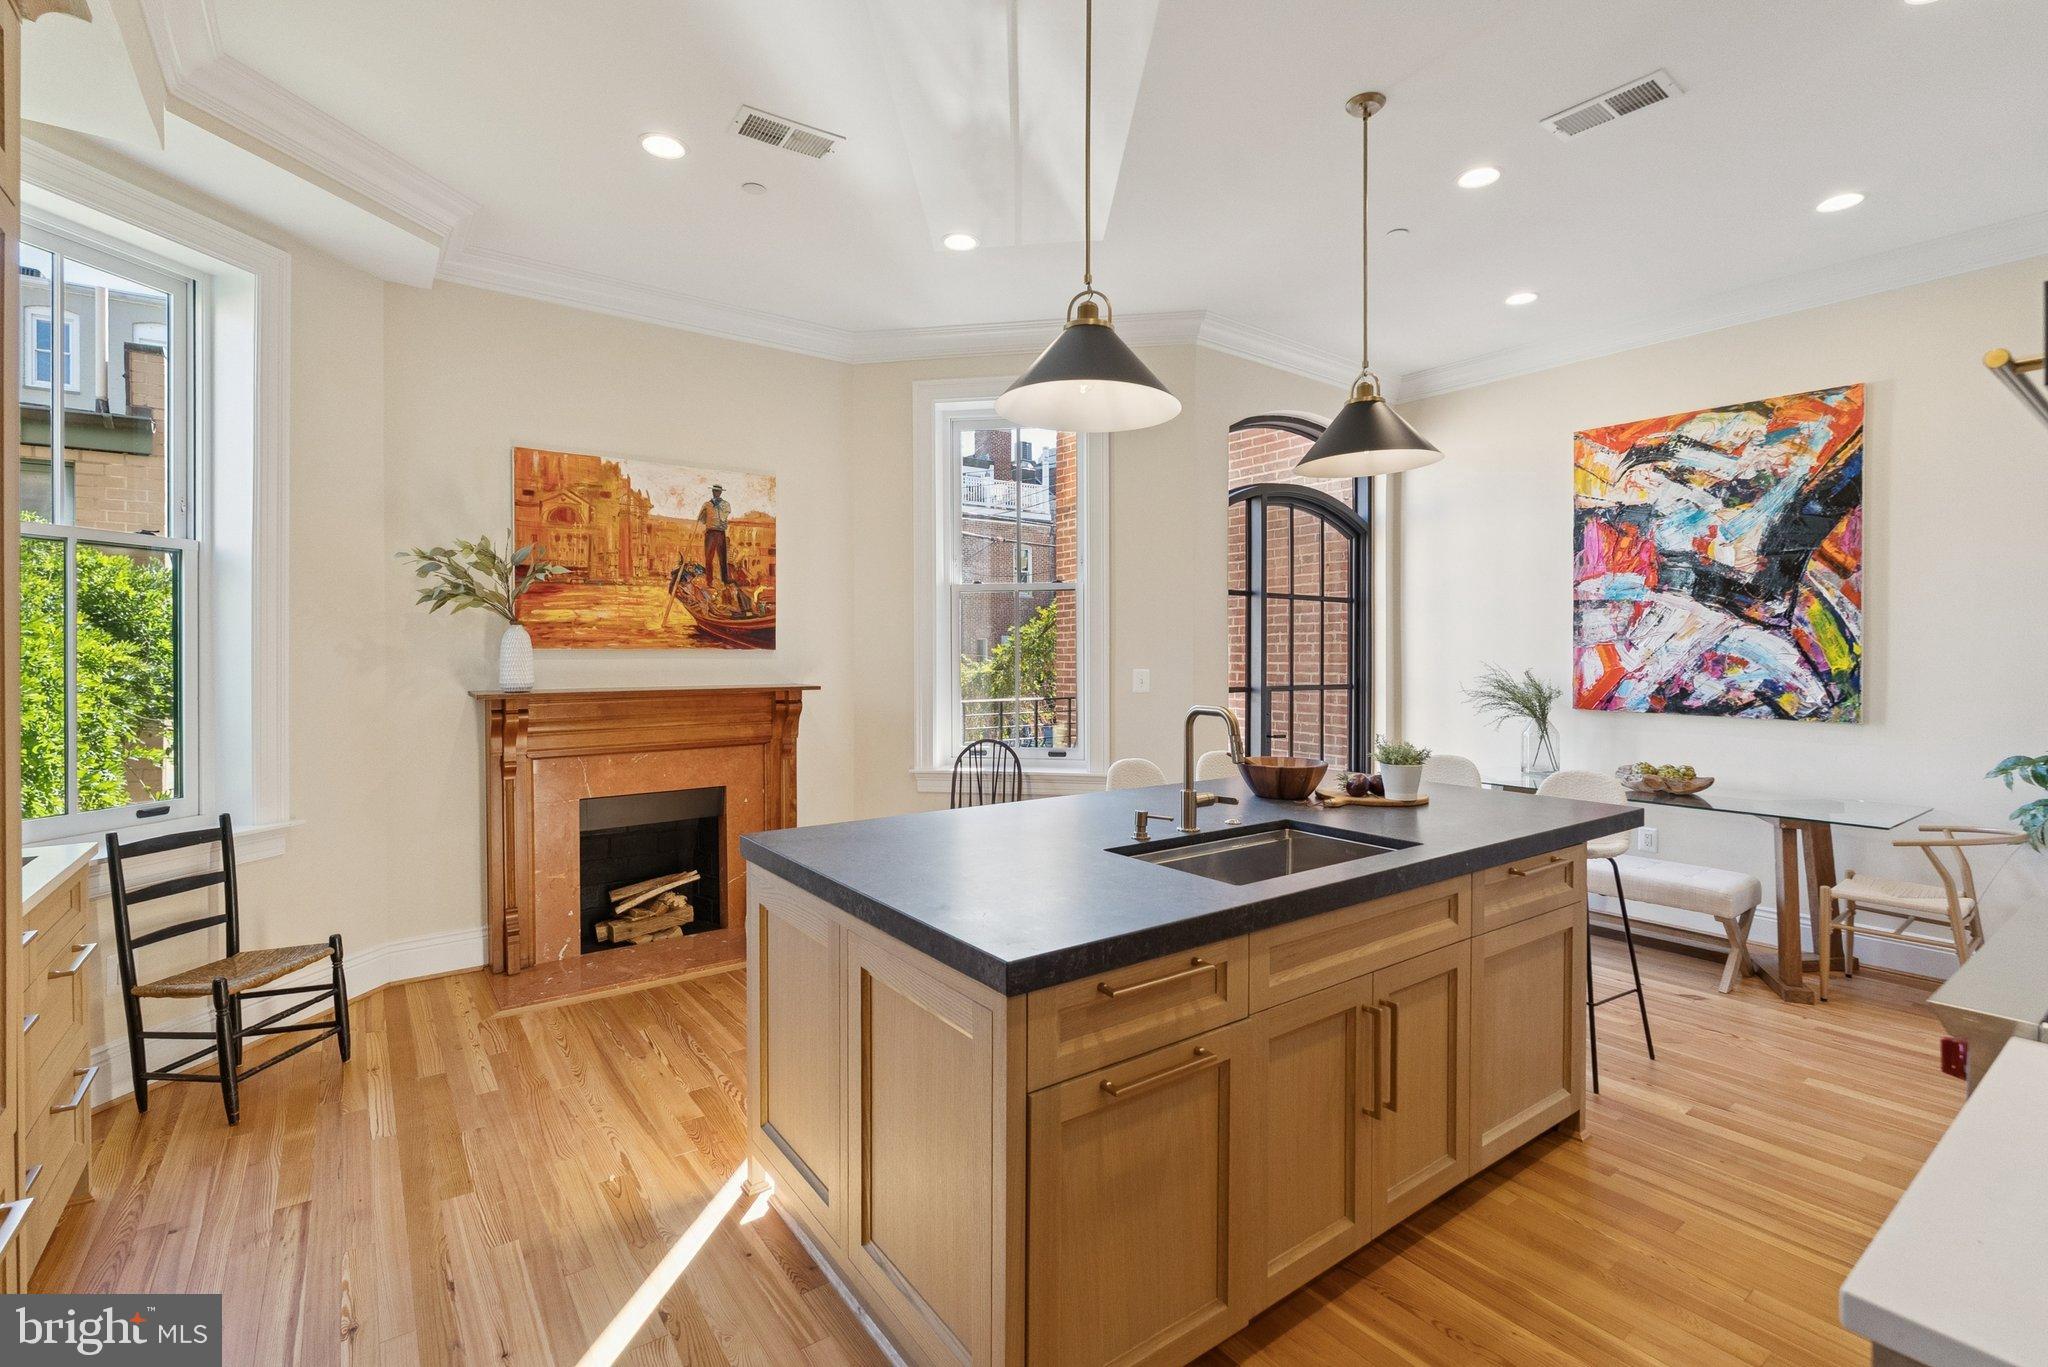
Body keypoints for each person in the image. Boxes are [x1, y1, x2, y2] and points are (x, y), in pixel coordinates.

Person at [698, 482, 732, 585]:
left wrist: (715, 508)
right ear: (712, 492)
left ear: (720, 492)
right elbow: (702, 520)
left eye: (717, 491)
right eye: (714, 491)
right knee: (708, 558)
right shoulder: (707, 504)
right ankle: (709, 581)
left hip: (720, 532)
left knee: (722, 558)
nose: (716, 493)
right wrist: (704, 512)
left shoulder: (725, 504)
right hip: (710, 533)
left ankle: (725, 580)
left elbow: (723, 517)